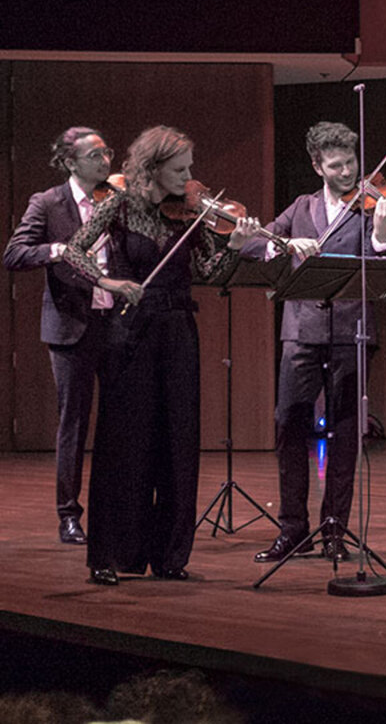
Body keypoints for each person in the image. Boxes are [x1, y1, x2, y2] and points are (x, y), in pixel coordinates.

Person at [62, 126, 261, 584]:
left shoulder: (187, 214)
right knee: (124, 445)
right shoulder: (119, 204)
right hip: (130, 333)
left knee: (177, 442)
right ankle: (109, 555)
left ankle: (169, 555)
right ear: (152, 169)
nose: (191, 178)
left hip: (177, 333)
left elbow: (208, 272)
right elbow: (74, 251)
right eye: (181, 169)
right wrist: (109, 283)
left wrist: (232, 247)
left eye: (189, 168)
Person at [247, 122, 386, 564]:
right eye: (336, 165)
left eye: (352, 161)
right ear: (318, 166)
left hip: (352, 332)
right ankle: (293, 529)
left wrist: (382, 235)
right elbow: (257, 244)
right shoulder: (301, 206)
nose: (348, 171)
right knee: (288, 426)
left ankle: (335, 529)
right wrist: (284, 244)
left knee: (346, 434)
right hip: (300, 332)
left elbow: (381, 270)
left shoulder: (371, 208)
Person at [3, 127, 117, 545]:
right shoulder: (48, 202)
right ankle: (69, 514)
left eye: (107, 152)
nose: (105, 161)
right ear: (71, 162)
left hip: (117, 323)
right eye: (95, 155)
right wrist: (57, 250)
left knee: (121, 419)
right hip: (72, 326)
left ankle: (118, 508)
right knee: (74, 421)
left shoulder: (118, 200)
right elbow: (14, 254)